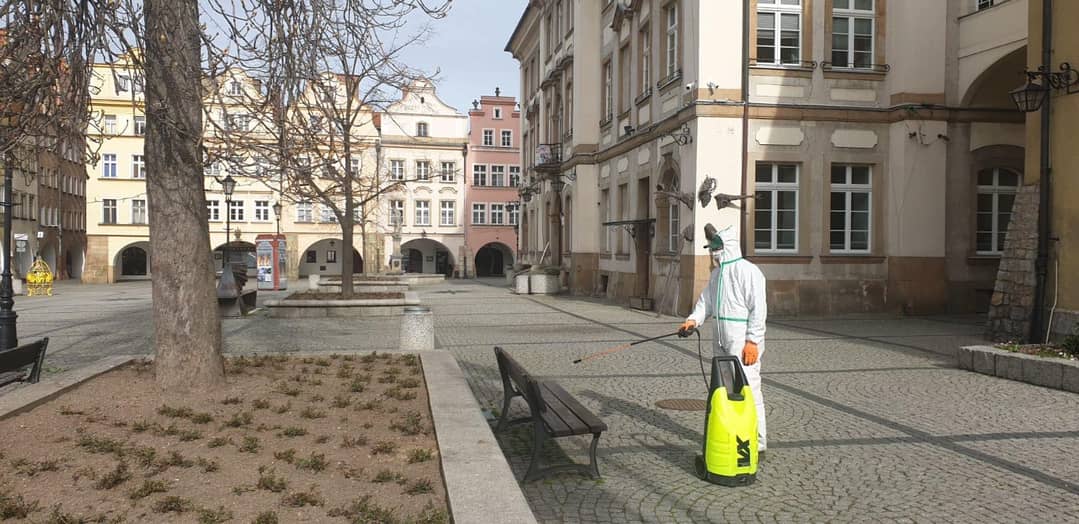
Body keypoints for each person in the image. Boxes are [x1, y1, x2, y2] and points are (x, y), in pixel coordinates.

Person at [678, 226, 768, 457]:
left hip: (740, 336)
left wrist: (753, 341)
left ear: (727, 246)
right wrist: (693, 320)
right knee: (726, 387)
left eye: (716, 247)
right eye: (711, 248)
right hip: (719, 335)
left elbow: (758, 309)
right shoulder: (717, 274)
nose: (713, 251)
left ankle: (758, 441)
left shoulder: (749, 271)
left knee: (749, 387)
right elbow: (706, 302)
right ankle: (732, 432)